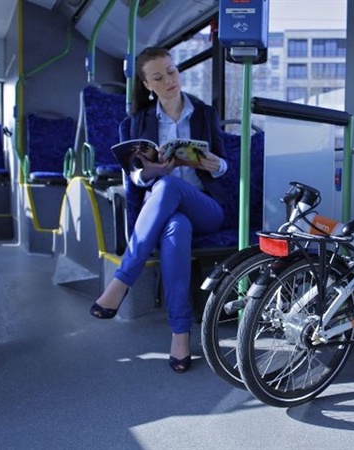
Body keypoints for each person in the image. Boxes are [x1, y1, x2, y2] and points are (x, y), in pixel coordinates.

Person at [90, 47, 229, 373]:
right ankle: (180, 334)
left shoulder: (205, 114)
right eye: (158, 77)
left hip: (206, 207)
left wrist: (215, 163)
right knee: (175, 227)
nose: (169, 80)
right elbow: (135, 177)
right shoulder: (137, 122)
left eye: (171, 71)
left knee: (169, 189)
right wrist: (154, 170)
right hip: (167, 213)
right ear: (147, 84)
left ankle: (122, 281)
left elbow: (225, 166)